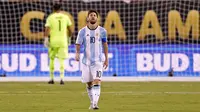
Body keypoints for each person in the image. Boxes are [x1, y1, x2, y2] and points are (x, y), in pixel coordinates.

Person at [75, 10, 108, 110]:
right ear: (88, 18)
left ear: (97, 18)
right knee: (89, 83)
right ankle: (91, 102)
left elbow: (105, 45)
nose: (93, 17)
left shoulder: (102, 31)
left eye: (94, 15)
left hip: (98, 61)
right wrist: (77, 53)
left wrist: (106, 59)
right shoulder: (82, 31)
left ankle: (95, 104)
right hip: (86, 62)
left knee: (97, 81)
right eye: (91, 15)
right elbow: (78, 44)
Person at [44, 4, 73, 85]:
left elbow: (47, 29)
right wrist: (69, 38)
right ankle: (62, 78)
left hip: (53, 41)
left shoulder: (50, 17)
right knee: (62, 60)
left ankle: (51, 78)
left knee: (52, 59)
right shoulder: (65, 17)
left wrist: (46, 39)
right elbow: (70, 30)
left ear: (53, 9)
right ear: (60, 9)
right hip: (63, 41)